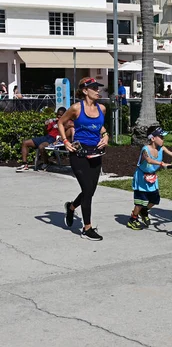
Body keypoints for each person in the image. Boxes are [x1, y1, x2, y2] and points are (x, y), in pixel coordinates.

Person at [59, 77, 109, 241]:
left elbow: (98, 126)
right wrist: (65, 141)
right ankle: (87, 228)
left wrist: (106, 135)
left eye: (98, 87)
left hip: (96, 152)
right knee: (87, 190)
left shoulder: (102, 108)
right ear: (85, 91)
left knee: (90, 191)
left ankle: (71, 207)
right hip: (78, 154)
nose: (98, 90)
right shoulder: (76, 108)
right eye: (94, 88)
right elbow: (61, 122)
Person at [127, 126, 172, 230]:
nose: (163, 139)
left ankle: (144, 211)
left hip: (152, 177)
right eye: (161, 137)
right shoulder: (145, 149)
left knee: (155, 199)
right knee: (141, 200)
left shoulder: (161, 148)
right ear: (153, 138)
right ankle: (133, 219)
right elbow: (149, 160)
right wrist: (162, 163)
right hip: (142, 177)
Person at [15, 107, 73, 172]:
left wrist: (62, 123)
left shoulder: (67, 122)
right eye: (58, 114)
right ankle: (24, 164)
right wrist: (46, 125)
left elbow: (71, 127)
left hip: (55, 139)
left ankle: (46, 163)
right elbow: (46, 131)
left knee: (41, 147)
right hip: (47, 137)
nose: (59, 116)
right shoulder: (53, 121)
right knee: (25, 143)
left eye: (61, 115)